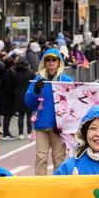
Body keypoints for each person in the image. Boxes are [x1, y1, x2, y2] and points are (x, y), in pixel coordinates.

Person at [25, 47, 72, 176]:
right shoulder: (38, 79)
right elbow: (28, 102)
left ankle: (58, 185)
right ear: (44, 62)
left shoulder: (66, 80)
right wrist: (35, 91)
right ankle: (40, 185)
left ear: (59, 62)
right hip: (41, 125)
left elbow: (73, 103)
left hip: (58, 126)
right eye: (48, 60)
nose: (51, 62)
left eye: (54, 59)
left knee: (58, 158)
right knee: (41, 157)